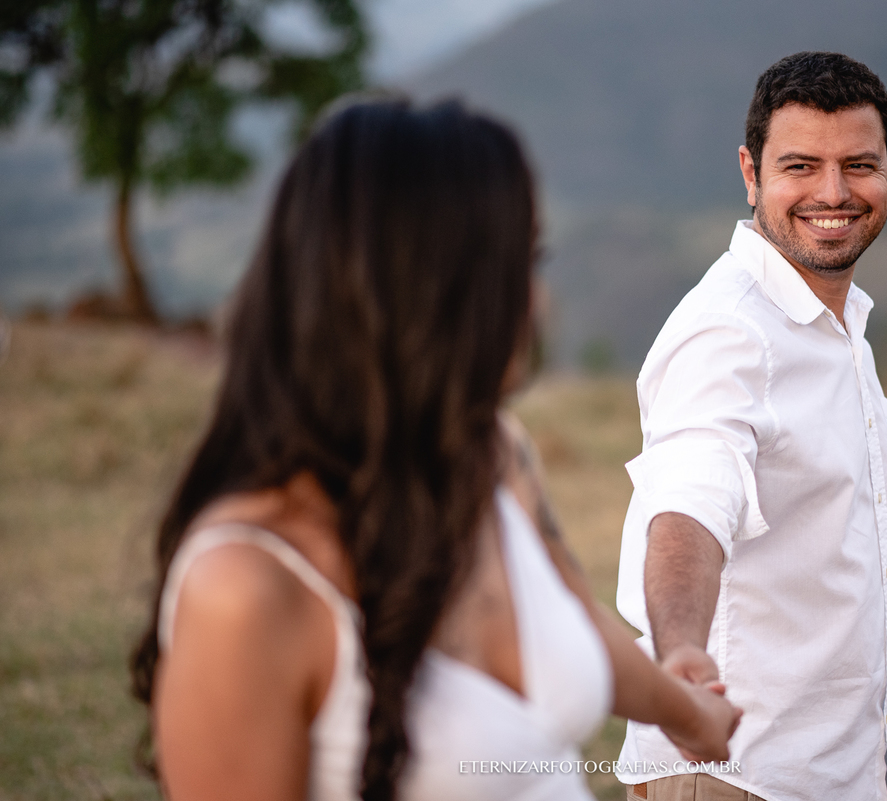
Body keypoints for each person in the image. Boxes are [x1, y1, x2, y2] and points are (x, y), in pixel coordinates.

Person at [129, 97, 740, 801]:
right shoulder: (244, 587)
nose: (538, 298)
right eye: (518, 261)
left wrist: (687, 712)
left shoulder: (491, 456)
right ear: (423, 288)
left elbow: (571, 621)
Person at [614, 52, 887, 800]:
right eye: (800, 166)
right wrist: (680, 648)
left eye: (858, 165)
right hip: (736, 776)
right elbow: (687, 501)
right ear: (751, 173)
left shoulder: (837, 323)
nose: (833, 193)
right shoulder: (732, 331)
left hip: (821, 776)